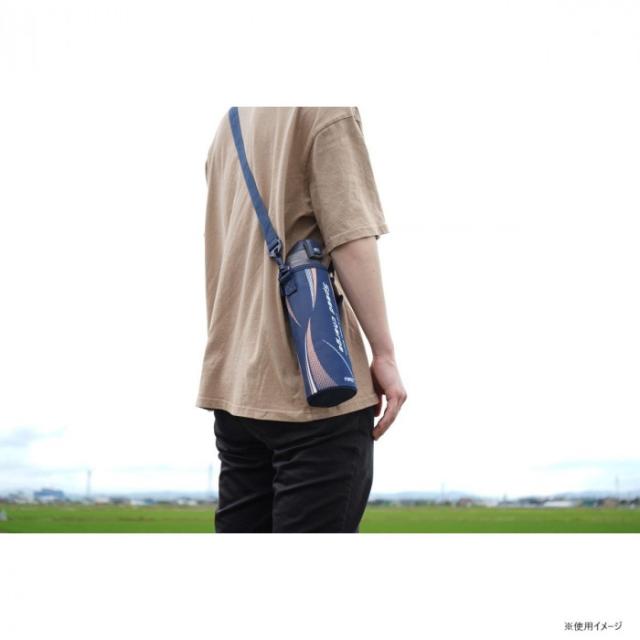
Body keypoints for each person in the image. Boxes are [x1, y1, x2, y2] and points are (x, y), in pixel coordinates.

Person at [196, 107, 407, 533]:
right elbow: (350, 235)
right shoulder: (325, 108)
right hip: (317, 390)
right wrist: (384, 353)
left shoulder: (230, 124)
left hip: (236, 389)